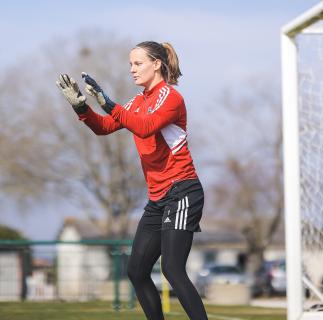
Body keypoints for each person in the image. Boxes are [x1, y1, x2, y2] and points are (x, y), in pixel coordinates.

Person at [56, 41, 208, 320]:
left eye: (138, 64)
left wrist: (109, 103)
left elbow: (145, 126)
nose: (132, 70)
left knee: (172, 269)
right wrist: (82, 108)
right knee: (136, 271)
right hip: (158, 198)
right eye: (130, 64)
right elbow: (104, 127)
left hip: (183, 191)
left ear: (157, 64)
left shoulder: (170, 97)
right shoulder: (137, 101)